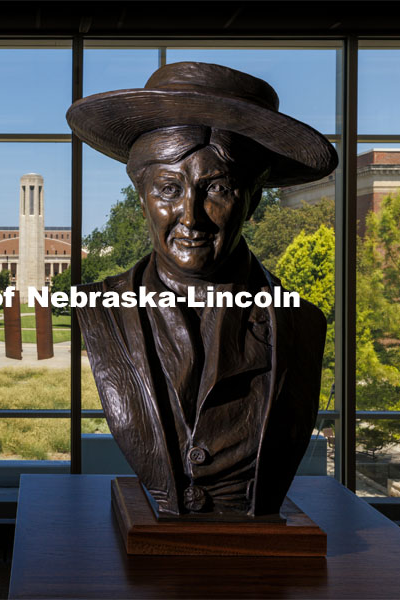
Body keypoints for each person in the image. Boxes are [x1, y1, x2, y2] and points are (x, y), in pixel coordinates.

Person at [66, 62, 336, 518]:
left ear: (251, 200)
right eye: (169, 188)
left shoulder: (299, 323)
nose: (190, 216)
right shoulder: (98, 310)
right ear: (142, 196)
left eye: (218, 189)